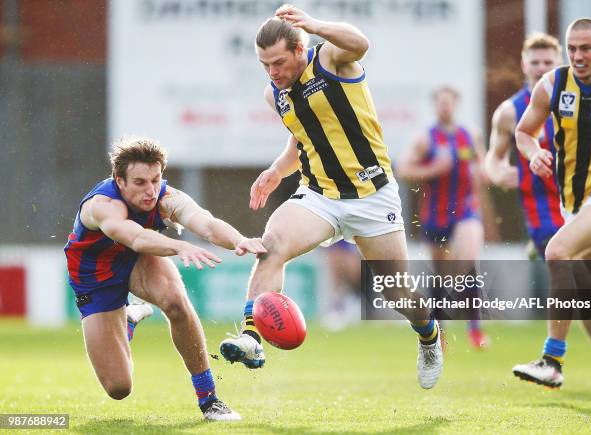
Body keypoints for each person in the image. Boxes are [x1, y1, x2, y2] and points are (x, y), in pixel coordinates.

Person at [219, 4, 444, 389]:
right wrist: (276, 170)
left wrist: (315, 25)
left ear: (297, 49)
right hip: (320, 196)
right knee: (271, 246)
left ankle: (428, 334)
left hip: (372, 196)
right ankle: (252, 337)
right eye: (264, 65)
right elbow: (302, 138)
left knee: (396, 291)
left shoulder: (330, 60)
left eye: (277, 62)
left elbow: (361, 43)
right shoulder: (276, 94)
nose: (272, 72)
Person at [64, 137, 267, 420]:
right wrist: (180, 246)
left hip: (137, 260)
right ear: (119, 181)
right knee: (118, 387)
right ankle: (128, 317)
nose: (150, 190)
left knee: (174, 302)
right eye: (140, 183)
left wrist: (239, 240)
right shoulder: (104, 204)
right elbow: (133, 236)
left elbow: (205, 223)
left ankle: (209, 400)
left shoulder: (166, 198)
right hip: (95, 277)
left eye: (155, 180)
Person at [512, 19, 591, 388]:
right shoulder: (553, 84)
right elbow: (523, 132)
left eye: (586, 48)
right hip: (574, 204)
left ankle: (552, 360)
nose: (578, 56)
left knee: (557, 253)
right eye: (572, 49)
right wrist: (533, 152)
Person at [397, 86, 489, 349]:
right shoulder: (425, 139)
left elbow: (483, 165)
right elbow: (404, 169)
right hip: (436, 215)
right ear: (435, 106)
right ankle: (439, 332)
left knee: (469, 260)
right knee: (440, 276)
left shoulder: (470, 135)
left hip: (466, 210)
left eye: (449, 103)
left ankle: (475, 329)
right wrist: (433, 169)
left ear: (456, 105)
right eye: (441, 103)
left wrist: (483, 172)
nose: (445, 107)